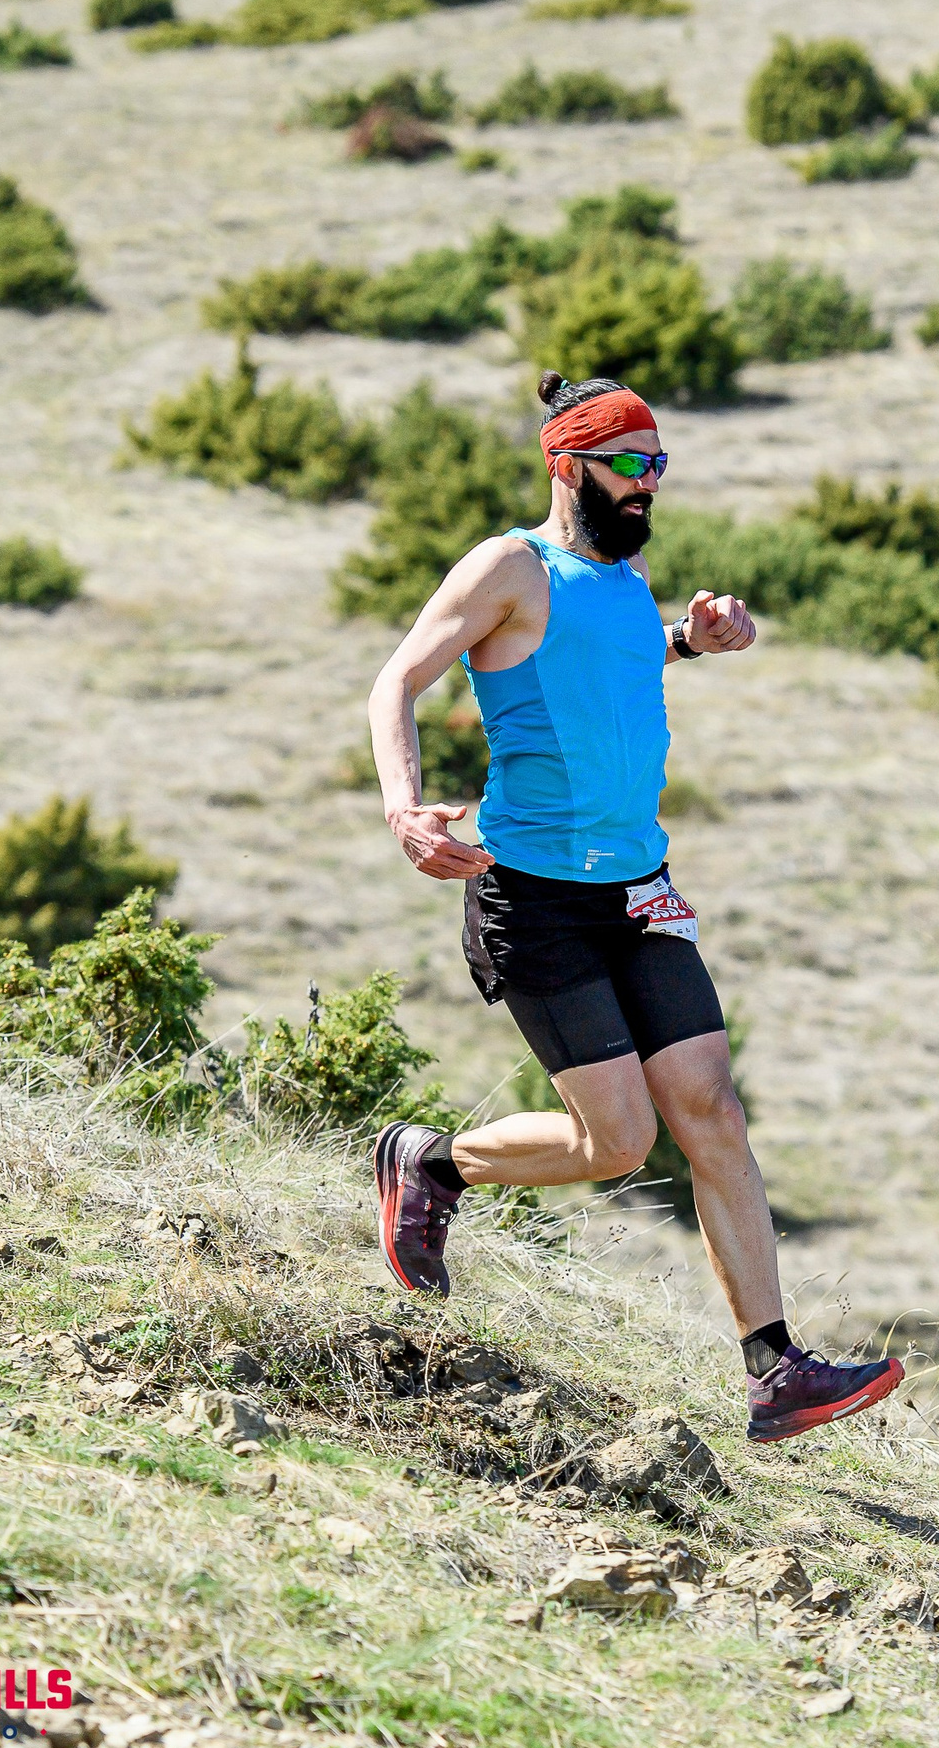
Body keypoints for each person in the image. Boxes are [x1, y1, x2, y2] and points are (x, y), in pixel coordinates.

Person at [362, 370, 902, 1446]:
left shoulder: (620, 576)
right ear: (569, 463)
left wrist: (692, 640)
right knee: (614, 1142)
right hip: (532, 896)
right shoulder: (509, 564)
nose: (647, 486)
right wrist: (403, 809)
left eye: (658, 467)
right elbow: (396, 681)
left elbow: (601, 662)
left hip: (637, 888)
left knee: (711, 1108)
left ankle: (774, 1370)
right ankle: (430, 1164)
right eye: (629, 466)